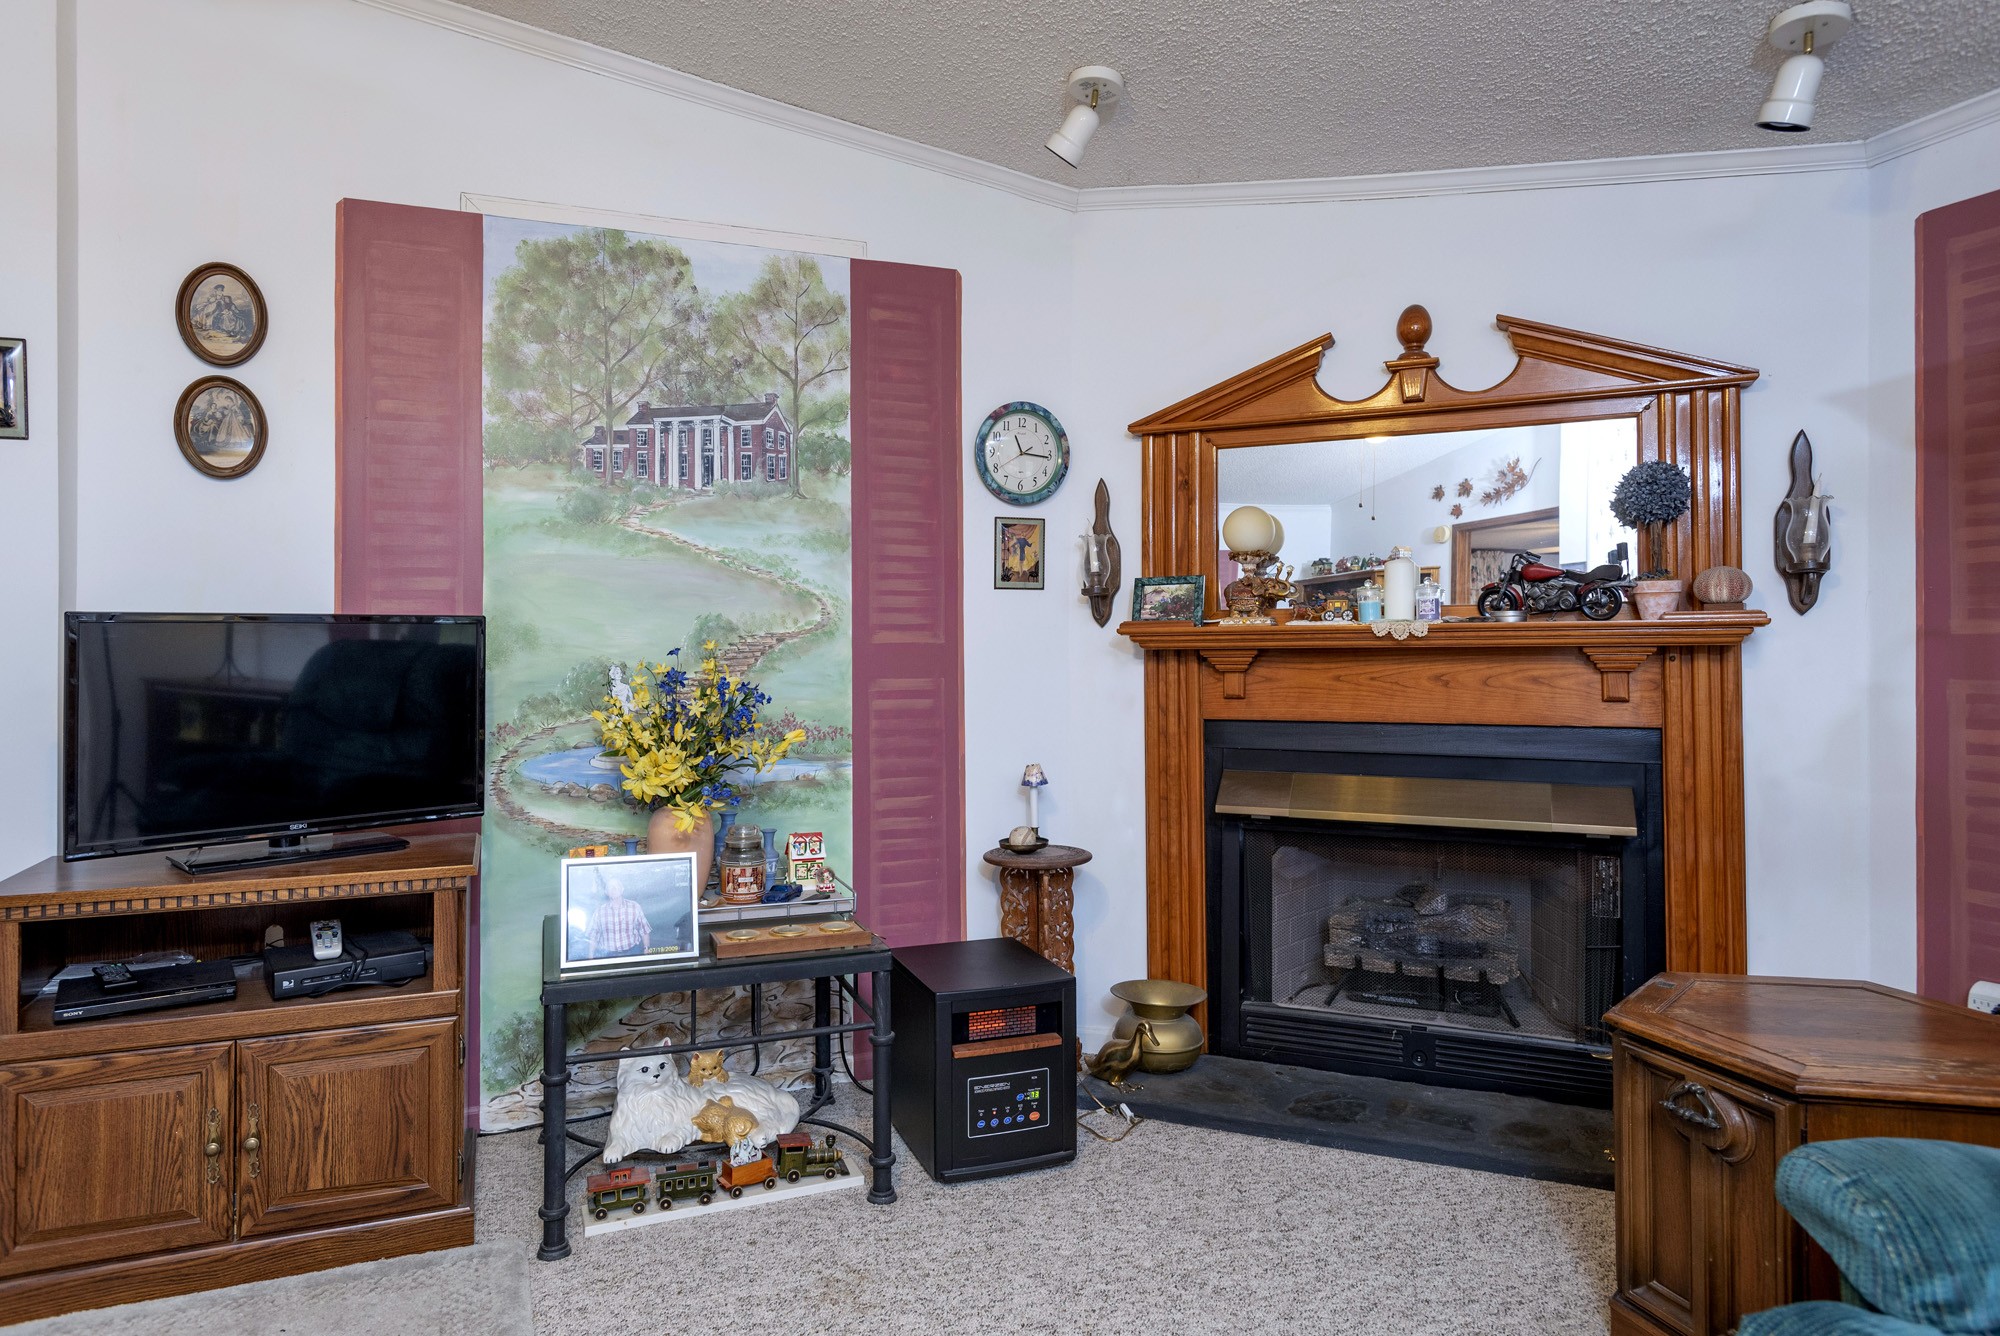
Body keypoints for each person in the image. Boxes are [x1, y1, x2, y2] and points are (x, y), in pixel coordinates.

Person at [586, 876, 651, 958]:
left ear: (622, 889)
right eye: (610, 887)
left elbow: (644, 930)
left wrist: (646, 948)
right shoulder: (599, 912)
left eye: (616, 886)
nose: (613, 889)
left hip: (633, 952)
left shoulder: (634, 906)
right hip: (607, 955)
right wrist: (590, 956)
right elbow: (594, 935)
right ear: (606, 892)